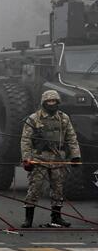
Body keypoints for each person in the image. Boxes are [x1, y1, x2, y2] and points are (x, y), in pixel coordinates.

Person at [20, 90, 81, 228]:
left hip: (57, 157)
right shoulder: (34, 119)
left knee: (58, 188)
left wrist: (75, 156)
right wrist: (26, 159)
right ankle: (28, 218)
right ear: (44, 103)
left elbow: (71, 138)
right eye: (49, 101)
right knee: (35, 188)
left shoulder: (63, 118)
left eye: (54, 101)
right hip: (39, 157)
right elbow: (25, 140)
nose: (52, 104)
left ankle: (56, 217)